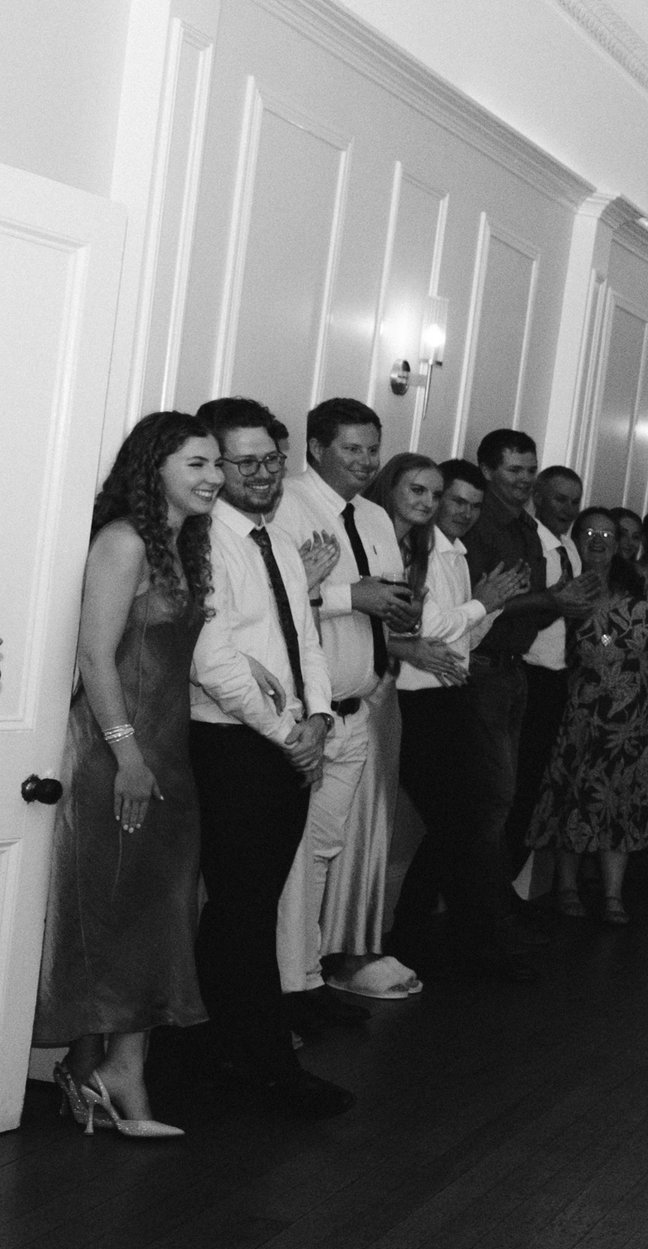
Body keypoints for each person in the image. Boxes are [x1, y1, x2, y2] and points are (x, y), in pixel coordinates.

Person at [34, 412, 220, 1137]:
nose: (214, 477)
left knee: (154, 912)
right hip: (120, 755)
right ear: (154, 468)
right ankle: (121, 1076)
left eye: (215, 464)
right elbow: (94, 656)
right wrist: (128, 755)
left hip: (165, 752)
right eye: (198, 464)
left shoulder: (181, 544)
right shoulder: (124, 541)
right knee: (124, 914)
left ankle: (92, 1069)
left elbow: (166, 653)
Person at [188, 397, 348, 1116]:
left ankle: (230, 1051)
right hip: (231, 746)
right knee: (243, 911)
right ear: (216, 466)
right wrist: (289, 734)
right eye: (245, 461)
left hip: (288, 742)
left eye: (272, 460)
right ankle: (264, 1063)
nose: (263, 473)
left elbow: (303, 638)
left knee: (251, 908)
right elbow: (213, 661)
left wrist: (318, 717)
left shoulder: (277, 539)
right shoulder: (203, 542)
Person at [271, 397, 410, 1032]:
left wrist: (398, 608)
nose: (365, 461)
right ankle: (285, 990)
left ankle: (308, 975)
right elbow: (272, 598)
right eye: (351, 449)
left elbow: (383, 596)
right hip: (305, 714)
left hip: (357, 709)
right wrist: (348, 595)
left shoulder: (375, 515)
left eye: (372, 449)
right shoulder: (286, 504)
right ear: (317, 448)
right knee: (294, 856)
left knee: (323, 850)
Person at [381, 455, 532, 983]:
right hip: (417, 703)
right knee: (462, 826)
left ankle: (420, 934)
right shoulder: (414, 551)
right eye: (455, 501)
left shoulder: (458, 555)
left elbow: (461, 637)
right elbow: (427, 627)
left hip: (451, 697)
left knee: (460, 827)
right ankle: (466, 938)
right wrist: (480, 604)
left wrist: (490, 605)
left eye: (473, 505)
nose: (463, 512)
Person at [526, 509, 648, 923]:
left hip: (634, 713)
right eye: (590, 531)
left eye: (608, 534)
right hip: (579, 711)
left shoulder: (640, 587)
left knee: (622, 800)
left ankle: (612, 895)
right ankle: (566, 887)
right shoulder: (564, 584)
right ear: (575, 538)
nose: (599, 540)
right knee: (576, 797)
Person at [460, 429, 581, 888]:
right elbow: (480, 604)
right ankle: (476, 904)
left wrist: (555, 602)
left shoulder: (528, 530)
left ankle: (493, 898)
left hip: (518, 671)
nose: (524, 479)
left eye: (530, 470)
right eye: (514, 470)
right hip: (483, 668)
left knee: (515, 793)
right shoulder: (478, 524)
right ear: (488, 470)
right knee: (487, 799)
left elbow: (534, 603)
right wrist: (552, 600)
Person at [507, 465, 585, 879]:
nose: (568, 509)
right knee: (513, 787)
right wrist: (553, 602)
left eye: (575, 501)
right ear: (537, 497)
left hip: (558, 678)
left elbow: (585, 622)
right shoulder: (527, 543)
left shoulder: (569, 549)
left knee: (537, 786)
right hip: (525, 673)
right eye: (560, 499)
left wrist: (605, 641)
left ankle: (505, 883)